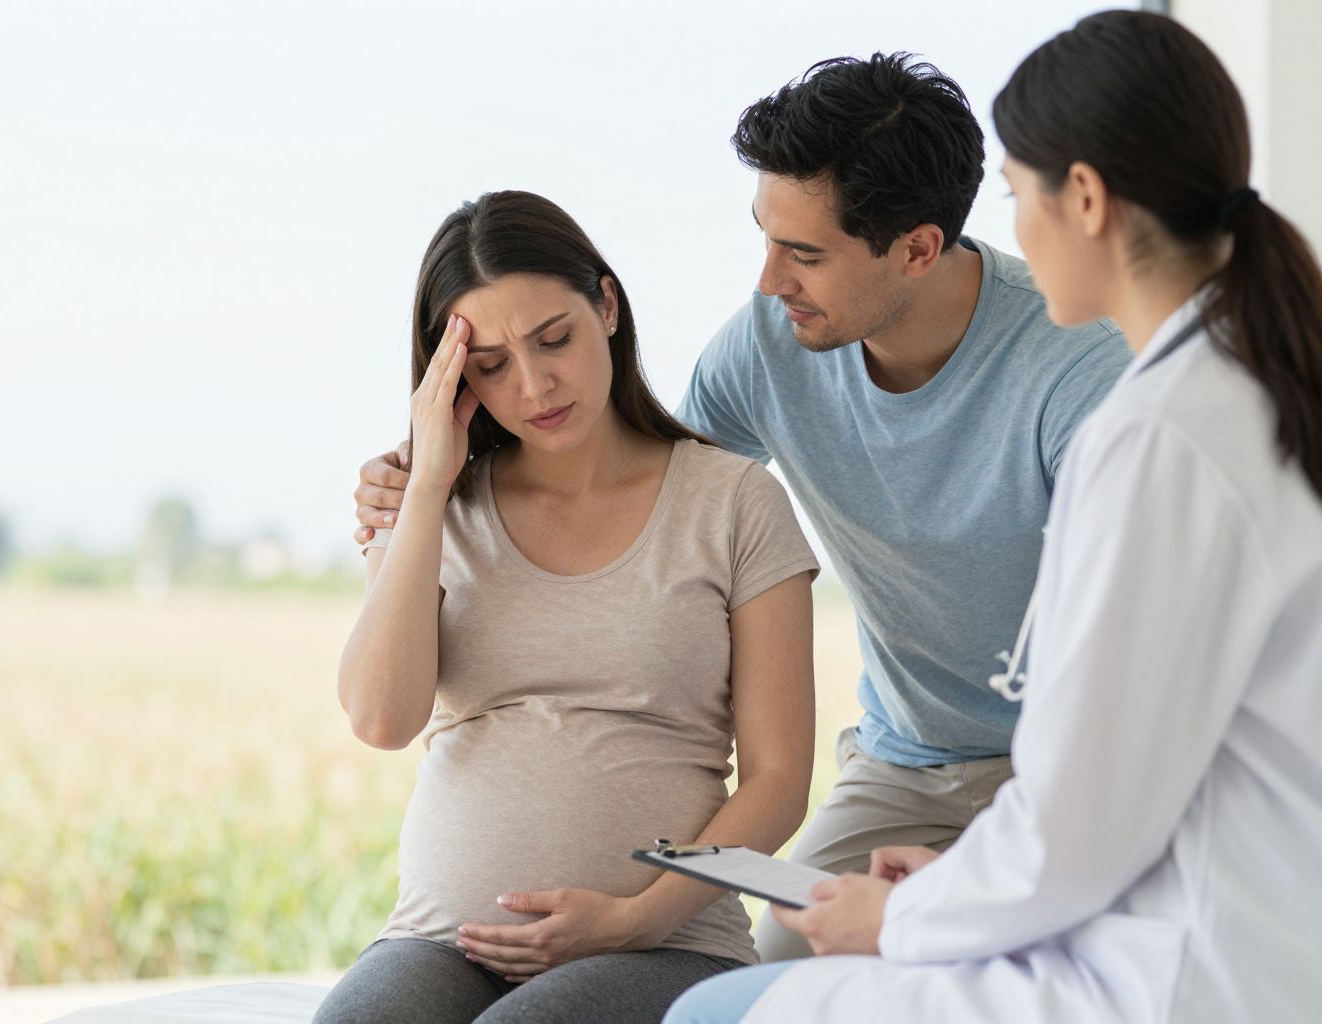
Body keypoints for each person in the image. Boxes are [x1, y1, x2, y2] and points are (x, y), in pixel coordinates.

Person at [351, 53, 1132, 962]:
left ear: (917, 248)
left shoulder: (1077, 376)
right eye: (765, 239)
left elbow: (1145, 647)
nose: (769, 282)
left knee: (1058, 974)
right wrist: (418, 496)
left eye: (804, 255)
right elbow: (665, 503)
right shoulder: (770, 346)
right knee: (779, 986)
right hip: (904, 760)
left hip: (1077, 767)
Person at [665, 10, 1322, 1022]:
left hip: (1190, 947)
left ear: (1087, 200)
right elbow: (657, 486)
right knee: (780, 957)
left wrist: (911, 918)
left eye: (1018, 197)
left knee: (712, 1013)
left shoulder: (1144, 429)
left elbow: (1083, 816)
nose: (769, 282)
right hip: (1148, 873)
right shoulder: (1231, 385)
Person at [316, 190, 820, 1024]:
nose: (535, 383)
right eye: (491, 366)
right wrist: (430, 489)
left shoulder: (734, 502)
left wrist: (635, 917)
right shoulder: (433, 506)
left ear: (608, 306)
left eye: (555, 340)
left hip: (666, 946)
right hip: (442, 941)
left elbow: (778, 783)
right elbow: (381, 718)